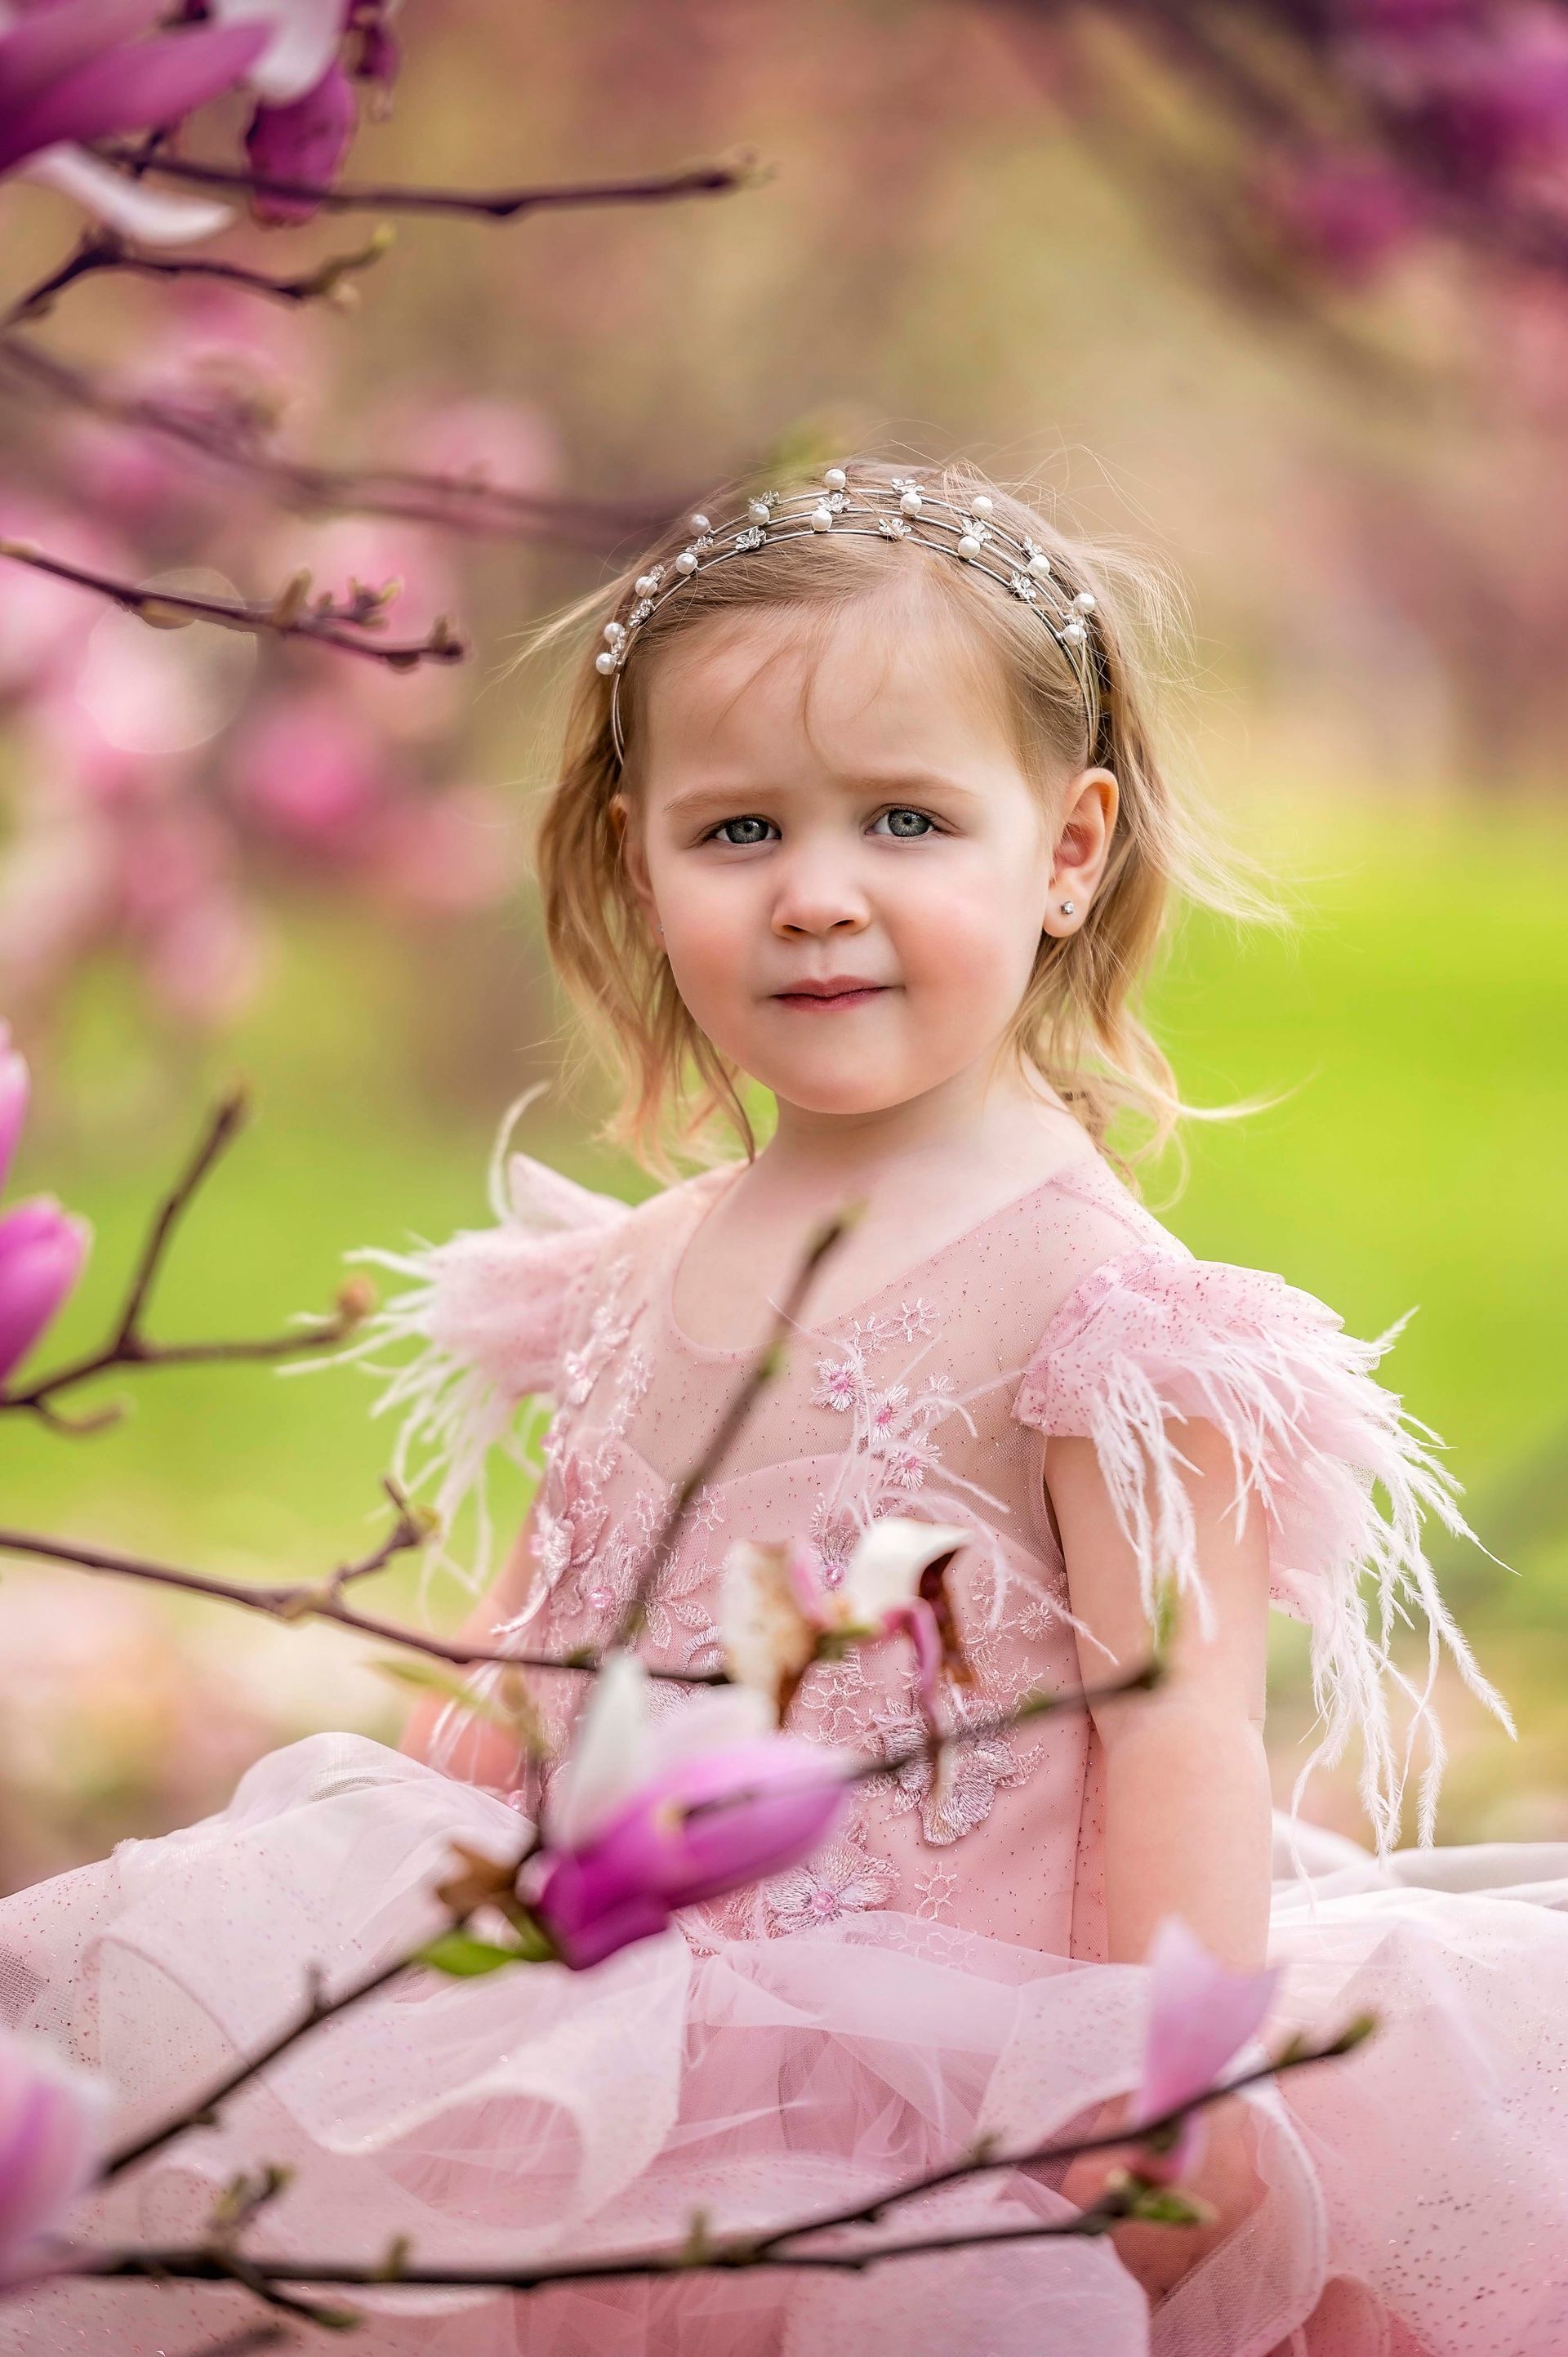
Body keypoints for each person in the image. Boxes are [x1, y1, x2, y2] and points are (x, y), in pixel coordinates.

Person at [2, 458, 1566, 2357]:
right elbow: (538, 1637)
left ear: (1065, 853)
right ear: (639, 860)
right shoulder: (620, 1273)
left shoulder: (1105, 1321)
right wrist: (402, 1947)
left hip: (959, 2098)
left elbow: (1179, 1738)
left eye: (905, 820)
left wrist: (1167, 2095)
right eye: (740, 831)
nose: (818, 896)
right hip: (599, 2050)